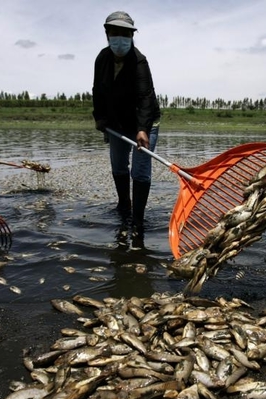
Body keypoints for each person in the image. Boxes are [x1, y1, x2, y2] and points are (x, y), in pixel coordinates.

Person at [92, 11, 161, 237]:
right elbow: (98, 92)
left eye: (125, 34)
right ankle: (124, 209)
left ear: (132, 36)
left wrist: (142, 129)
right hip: (117, 122)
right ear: (107, 34)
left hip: (146, 121)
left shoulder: (139, 61)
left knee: (140, 170)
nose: (120, 39)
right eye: (115, 33)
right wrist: (100, 118)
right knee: (119, 166)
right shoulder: (102, 59)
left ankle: (138, 221)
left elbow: (145, 97)